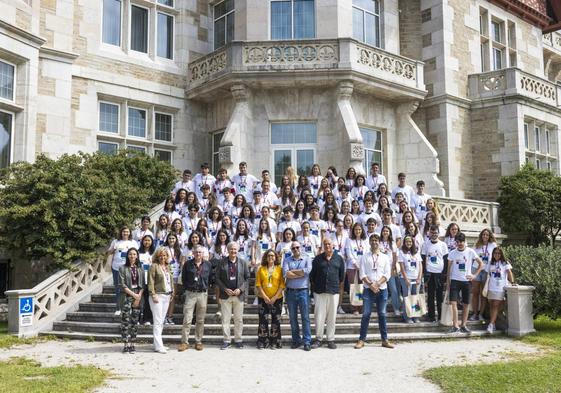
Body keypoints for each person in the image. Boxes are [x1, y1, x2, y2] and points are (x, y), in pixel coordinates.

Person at [355, 234, 394, 349]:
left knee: (382, 314)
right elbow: (362, 274)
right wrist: (371, 284)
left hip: (382, 289)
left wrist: (377, 284)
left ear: (379, 242)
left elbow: (387, 274)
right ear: (369, 242)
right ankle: (361, 340)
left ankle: (384, 340)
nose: (374, 242)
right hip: (368, 289)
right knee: (366, 314)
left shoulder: (385, 257)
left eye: (376, 240)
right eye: (372, 240)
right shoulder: (364, 257)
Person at [310, 237, 345, 349]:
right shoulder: (317, 259)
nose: (327, 246)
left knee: (332, 316)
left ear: (333, 245)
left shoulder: (339, 259)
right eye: (325, 244)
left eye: (329, 244)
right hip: (319, 292)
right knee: (319, 316)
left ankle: (330, 339)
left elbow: (341, 277)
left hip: (334, 291)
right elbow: (312, 276)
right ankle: (319, 338)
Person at [215, 242, 250, 349]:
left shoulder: (243, 263)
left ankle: (238, 339)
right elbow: (217, 278)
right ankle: (226, 340)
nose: (233, 251)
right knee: (225, 319)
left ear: (237, 250)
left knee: (238, 319)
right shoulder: (222, 262)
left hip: (238, 296)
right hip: (226, 295)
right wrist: (225, 289)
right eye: (231, 249)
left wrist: (240, 289)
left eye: (235, 249)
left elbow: (247, 278)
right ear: (228, 250)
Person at [446, 232, 483, 334]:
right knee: (453, 303)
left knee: (466, 304)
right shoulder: (452, 253)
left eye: (462, 241)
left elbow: (481, 264)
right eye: (458, 242)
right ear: (455, 242)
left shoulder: (470, 251)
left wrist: (474, 275)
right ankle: (455, 326)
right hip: (454, 280)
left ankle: (464, 325)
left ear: (464, 241)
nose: (460, 244)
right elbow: (448, 269)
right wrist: (448, 282)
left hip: (466, 281)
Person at [178, 245, 212, 352]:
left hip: (202, 294)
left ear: (203, 254)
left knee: (200, 319)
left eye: (200, 252)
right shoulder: (188, 264)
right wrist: (188, 288)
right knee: (187, 319)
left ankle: (198, 341)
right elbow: (183, 278)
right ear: (193, 253)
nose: (198, 254)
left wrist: (206, 286)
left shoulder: (208, 265)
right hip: (190, 294)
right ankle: (184, 342)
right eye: (196, 252)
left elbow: (210, 278)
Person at [282, 241, 313, 351]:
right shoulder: (286, 260)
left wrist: (293, 272)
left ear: (301, 248)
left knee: (305, 317)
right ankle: (296, 340)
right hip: (290, 292)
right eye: (293, 248)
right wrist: (300, 273)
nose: (295, 249)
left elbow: (307, 271)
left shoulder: (307, 258)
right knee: (293, 318)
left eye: (297, 247)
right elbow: (286, 274)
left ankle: (307, 341)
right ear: (291, 250)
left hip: (303, 291)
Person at [255, 250, 285, 349]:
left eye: (272, 256)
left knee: (275, 321)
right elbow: (258, 284)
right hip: (263, 298)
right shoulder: (261, 269)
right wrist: (265, 297)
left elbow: (282, 285)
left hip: (277, 298)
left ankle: (275, 341)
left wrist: (275, 297)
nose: (270, 257)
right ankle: (263, 341)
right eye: (268, 256)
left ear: (276, 257)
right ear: (265, 257)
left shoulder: (280, 269)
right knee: (263, 320)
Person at [148, 247, 174, 354]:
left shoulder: (168, 267)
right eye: (160, 255)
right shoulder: (154, 266)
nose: (163, 257)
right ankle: (159, 346)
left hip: (167, 296)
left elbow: (170, 281)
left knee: (161, 321)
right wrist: (153, 294)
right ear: (157, 256)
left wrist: (172, 292)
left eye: (164, 255)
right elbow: (150, 281)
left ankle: (157, 344)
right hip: (157, 296)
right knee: (158, 321)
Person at [107, 226, 137, 316]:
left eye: (127, 232)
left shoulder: (133, 242)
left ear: (130, 233)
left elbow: (136, 254)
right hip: (116, 268)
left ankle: (129, 307)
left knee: (130, 288)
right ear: (121, 232)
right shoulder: (115, 241)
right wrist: (113, 250)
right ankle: (118, 308)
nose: (125, 233)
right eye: (124, 231)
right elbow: (108, 252)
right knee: (118, 289)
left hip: (129, 268)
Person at [119, 248, 145, 353]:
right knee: (125, 320)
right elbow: (122, 285)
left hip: (138, 295)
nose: (132, 256)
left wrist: (138, 296)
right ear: (127, 256)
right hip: (126, 295)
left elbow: (143, 284)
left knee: (134, 320)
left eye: (134, 254)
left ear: (137, 256)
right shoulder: (122, 268)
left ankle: (132, 343)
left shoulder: (140, 269)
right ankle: (125, 344)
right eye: (130, 254)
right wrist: (134, 295)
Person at [421, 225, 448, 322]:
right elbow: (423, 259)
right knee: (430, 296)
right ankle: (431, 316)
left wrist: (444, 274)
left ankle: (441, 316)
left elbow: (445, 260)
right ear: (429, 233)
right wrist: (424, 273)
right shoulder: (425, 244)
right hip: (429, 274)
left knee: (440, 296)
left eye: (435, 232)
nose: (434, 234)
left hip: (439, 273)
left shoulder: (443, 245)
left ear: (438, 233)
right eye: (432, 232)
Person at [470, 228, 498, 322]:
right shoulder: (477, 245)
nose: (485, 236)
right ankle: (474, 313)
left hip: (486, 270)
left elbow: (497, 256)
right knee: (475, 292)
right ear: (481, 236)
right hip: (476, 269)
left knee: (483, 293)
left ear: (489, 236)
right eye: (483, 234)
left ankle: (481, 314)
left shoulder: (493, 245)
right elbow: (472, 258)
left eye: (487, 235)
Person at [486, 247, 515, 334]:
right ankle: (494, 323)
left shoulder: (505, 263)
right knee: (491, 305)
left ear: (501, 254)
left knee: (495, 305)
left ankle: (490, 325)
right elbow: (487, 275)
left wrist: (512, 282)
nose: (497, 255)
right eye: (495, 253)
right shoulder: (490, 263)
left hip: (501, 288)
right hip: (491, 287)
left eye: (498, 253)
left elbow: (509, 273)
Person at [398, 235, 423, 323]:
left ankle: (415, 316)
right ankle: (407, 316)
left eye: (410, 242)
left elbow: (420, 265)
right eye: (407, 242)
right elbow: (402, 267)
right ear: (404, 243)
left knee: (415, 298)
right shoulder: (401, 252)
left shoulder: (416, 252)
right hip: (406, 278)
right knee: (407, 298)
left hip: (416, 278)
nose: (409, 243)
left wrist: (419, 278)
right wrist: (406, 279)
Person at [138, 235, 155, 325]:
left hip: (150, 280)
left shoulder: (154, 253)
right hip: (139, 279)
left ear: (152, 242)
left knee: (148, 300)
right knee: (138, 299)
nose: (147, 242)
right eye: (145, 240)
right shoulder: (138, 252)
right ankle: (136, 319)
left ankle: (147, 319)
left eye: (149, 240)